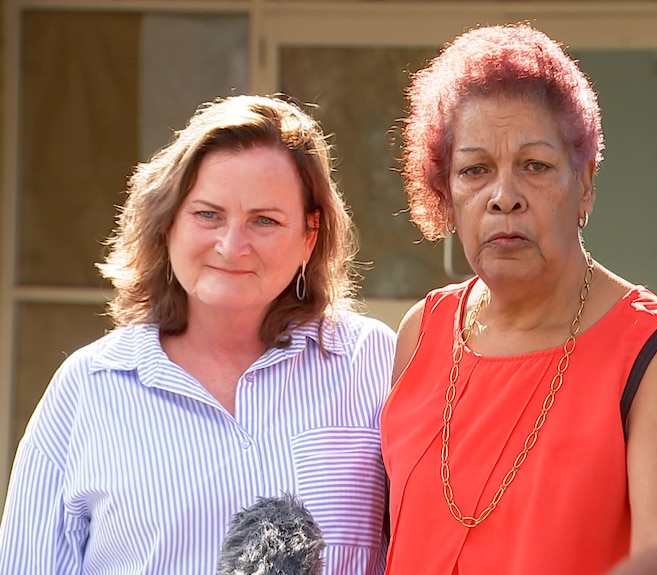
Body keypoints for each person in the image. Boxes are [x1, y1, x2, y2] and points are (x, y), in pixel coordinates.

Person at [380, 24, 657, 575]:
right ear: (444, 193)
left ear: (584, 182)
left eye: (535, 166)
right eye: (474, 171)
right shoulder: (424, 330)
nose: (504, 198)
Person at [0, 95, 394, 574]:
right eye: (208, 215)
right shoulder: (87, 388)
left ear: (309, 237)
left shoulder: (372, 363)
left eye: (264, 220)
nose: (231, 246)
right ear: (168, 224)